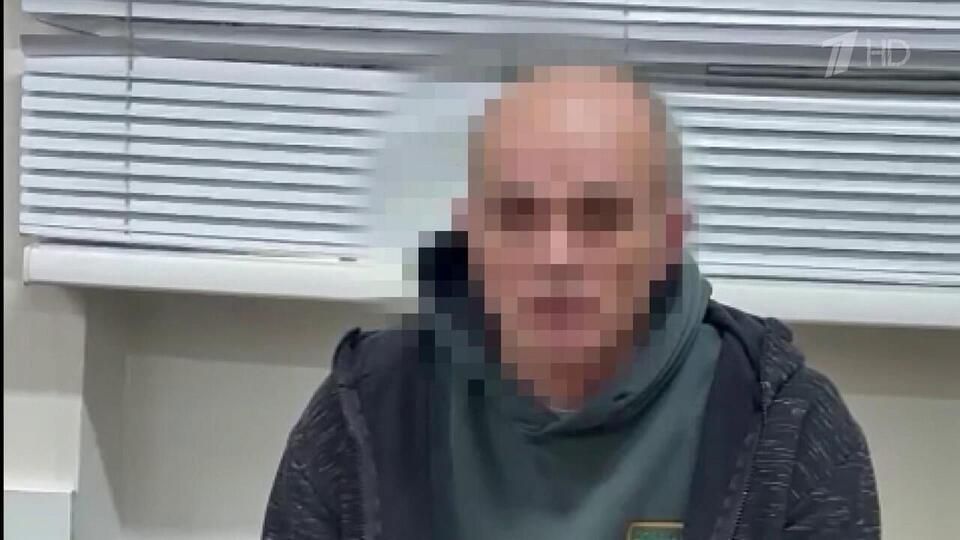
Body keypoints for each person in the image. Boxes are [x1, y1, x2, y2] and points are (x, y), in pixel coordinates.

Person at [262, 64, 880, 540]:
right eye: (518, 214)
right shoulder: (366, 410)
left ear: (670, 238)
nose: (556, 257)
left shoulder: (787, 429)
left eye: (601, 215)